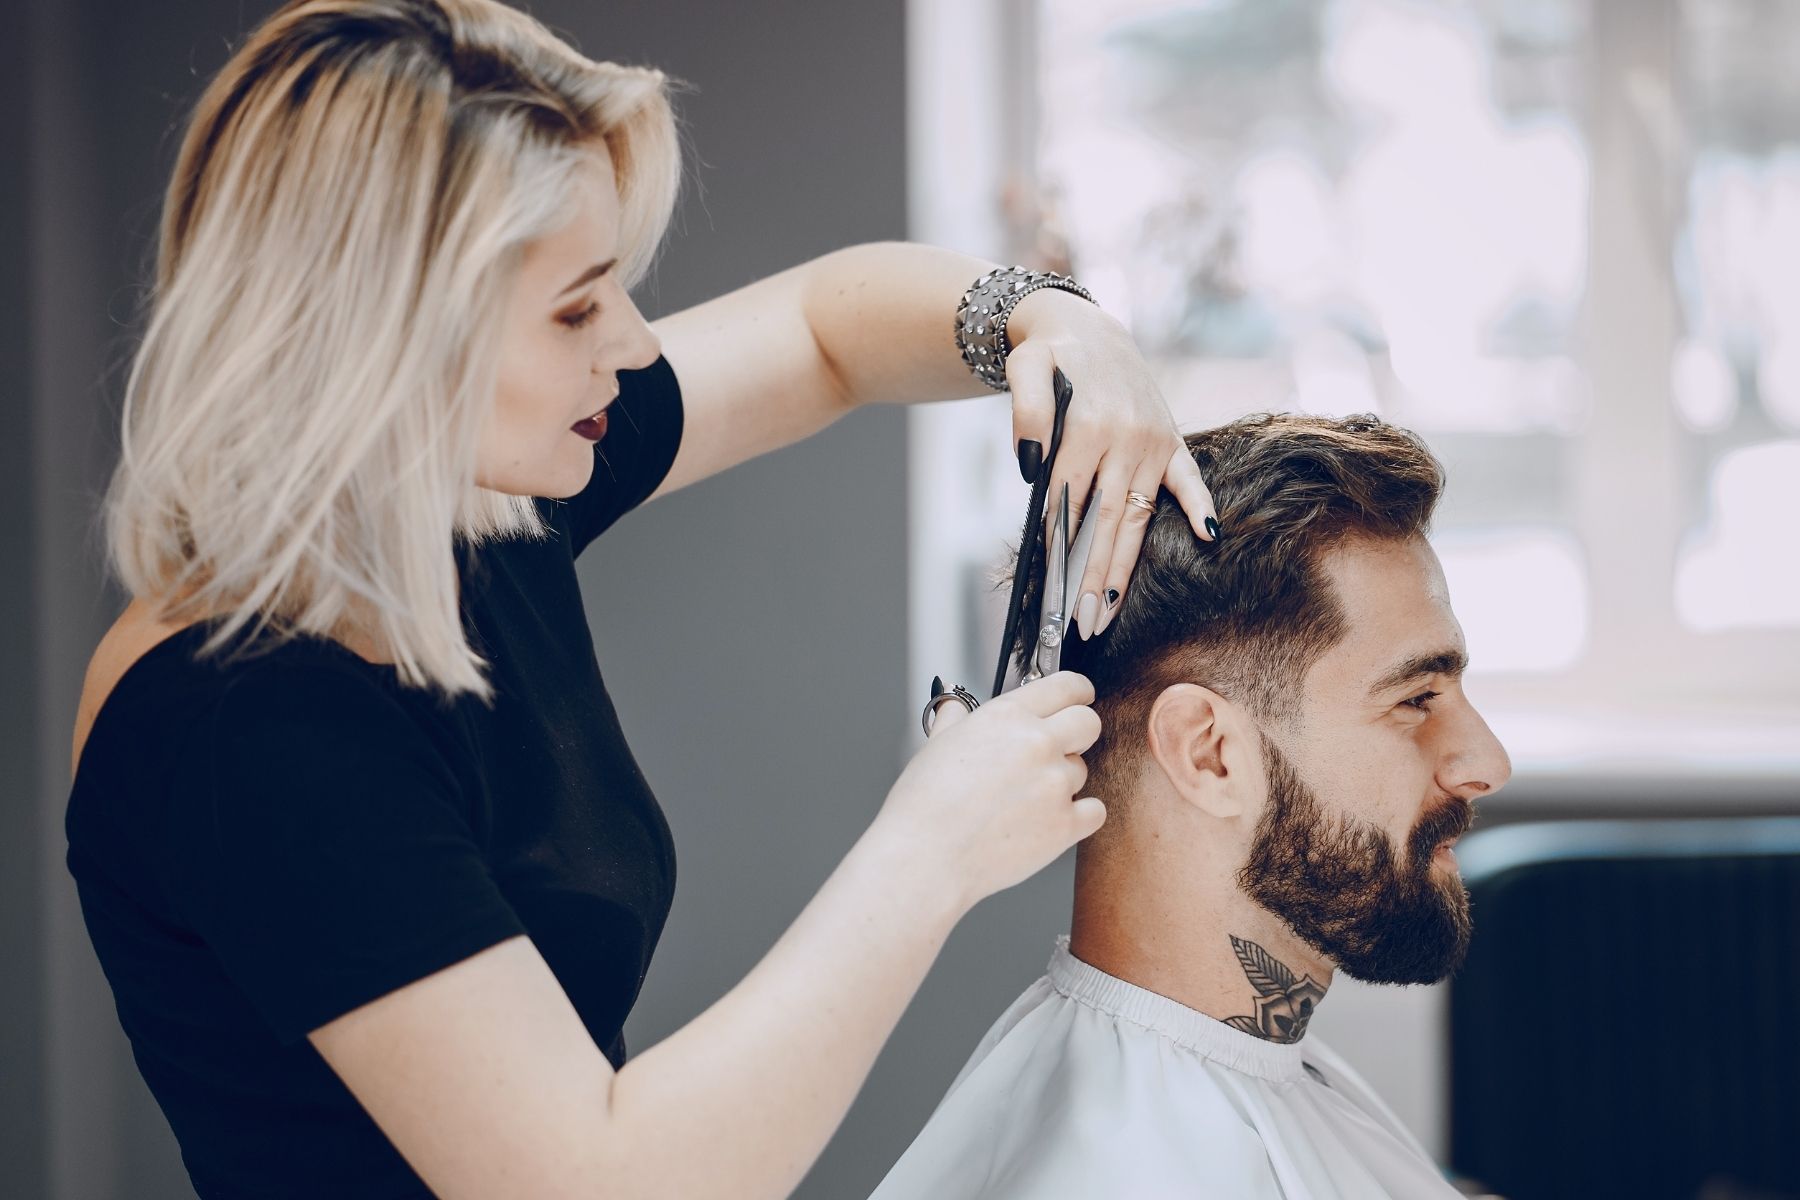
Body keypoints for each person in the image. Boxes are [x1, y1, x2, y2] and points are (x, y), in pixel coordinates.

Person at [61, 2, 1224, 1198]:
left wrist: (1053, 320)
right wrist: (931, 848)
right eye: (576, 307)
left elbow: (826, 331)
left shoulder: (472, 510)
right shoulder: (244, 722)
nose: (628, 344)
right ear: (391, 339)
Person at [871, 412, 1515, 1199]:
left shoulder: (1241, 1072)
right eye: (1417, 698)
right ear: (1208, 753)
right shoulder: (1117, 1173)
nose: (1487, 763)